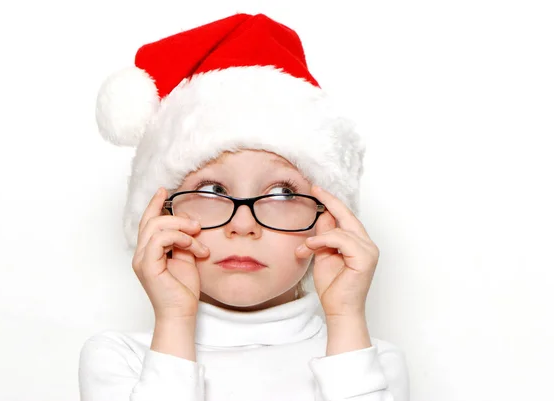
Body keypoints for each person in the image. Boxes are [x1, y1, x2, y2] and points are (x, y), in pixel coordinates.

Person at [79, 12, 410, 401]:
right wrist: (174, 321)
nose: (242, 225)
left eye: (282, 193)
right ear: (161, 214)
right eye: (213, 189)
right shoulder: (123, 359)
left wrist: (345, 318)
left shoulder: (367, 360)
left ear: (329, 223)